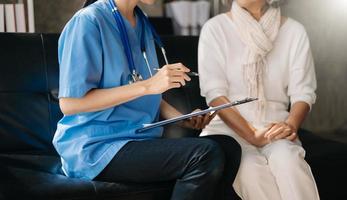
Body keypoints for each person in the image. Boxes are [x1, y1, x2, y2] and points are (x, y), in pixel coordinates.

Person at [52, 0, 241, 199]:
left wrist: (181, 118)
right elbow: (70, 104)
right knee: (204, 154)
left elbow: (140, 89)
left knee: (229, 148)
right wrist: (148, 85)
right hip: (96, 146)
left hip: (138, 138)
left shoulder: (141, 22)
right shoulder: (88, 21)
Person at [198, 0, 320, 199]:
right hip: (226, 127)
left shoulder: (294, 31)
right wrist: (251, 135)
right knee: (250, 168)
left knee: (289, 161)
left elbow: (303, 92)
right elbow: (214, 94)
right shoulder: (215, 29)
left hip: (275, 126)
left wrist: (291, 125)